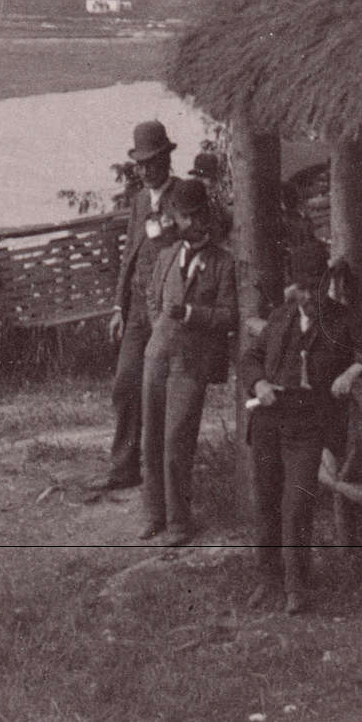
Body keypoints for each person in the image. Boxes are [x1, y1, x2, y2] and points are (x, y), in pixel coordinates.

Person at [239, 258, 362, 613]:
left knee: (298, 502)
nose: (306, 297)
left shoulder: (342, 318)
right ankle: (268, 578)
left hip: (309, 422)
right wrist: (259, 382)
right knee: (266, 499)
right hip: (268, 421)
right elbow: (250, 358)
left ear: (324, 285)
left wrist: (352, 371)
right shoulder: (280, 317)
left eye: (313, 288)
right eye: (301, 289)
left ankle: (296, 586)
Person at [137, 177, 238, 545]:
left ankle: (179, 522)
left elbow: (229, 315)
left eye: (194, 216)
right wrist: (158, 331)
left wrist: (191, 313)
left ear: (205, 217)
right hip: (157, 358)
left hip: (191, 364)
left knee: (177, 441)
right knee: (151, 438)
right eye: (182, 216)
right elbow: (150, 297)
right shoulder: (165, 256)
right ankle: (154, 515)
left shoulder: (222, 263)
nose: (188, 223)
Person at [91, 119, 185, 497]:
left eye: (152, 162)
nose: (145, 170)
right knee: (125, 385)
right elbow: (129, 254)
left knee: (161, 391)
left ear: (166, 159)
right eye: (140, 164)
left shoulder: (183, 195)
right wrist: (118, 306)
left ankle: (162, 474)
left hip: (168, 309)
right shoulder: (140, 200)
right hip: (136, 309)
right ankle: (124, 467)